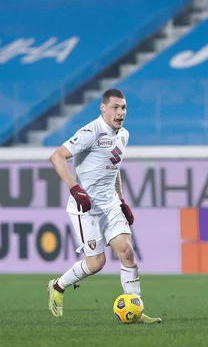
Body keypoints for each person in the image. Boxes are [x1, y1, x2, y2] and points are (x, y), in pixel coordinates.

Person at [46, 88, 161, 324]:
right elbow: (56, 156)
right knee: (96, 263)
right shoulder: (91, 132)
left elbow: (114, 167)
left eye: (124, 108)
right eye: (115, 107)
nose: (120, 112)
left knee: (127, 252)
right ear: (103, 108)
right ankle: (57, 286)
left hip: (109, 203)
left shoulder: (123, 135)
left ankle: (135, 310)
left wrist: (121, 199)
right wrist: (74, 188)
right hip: (85, 207)